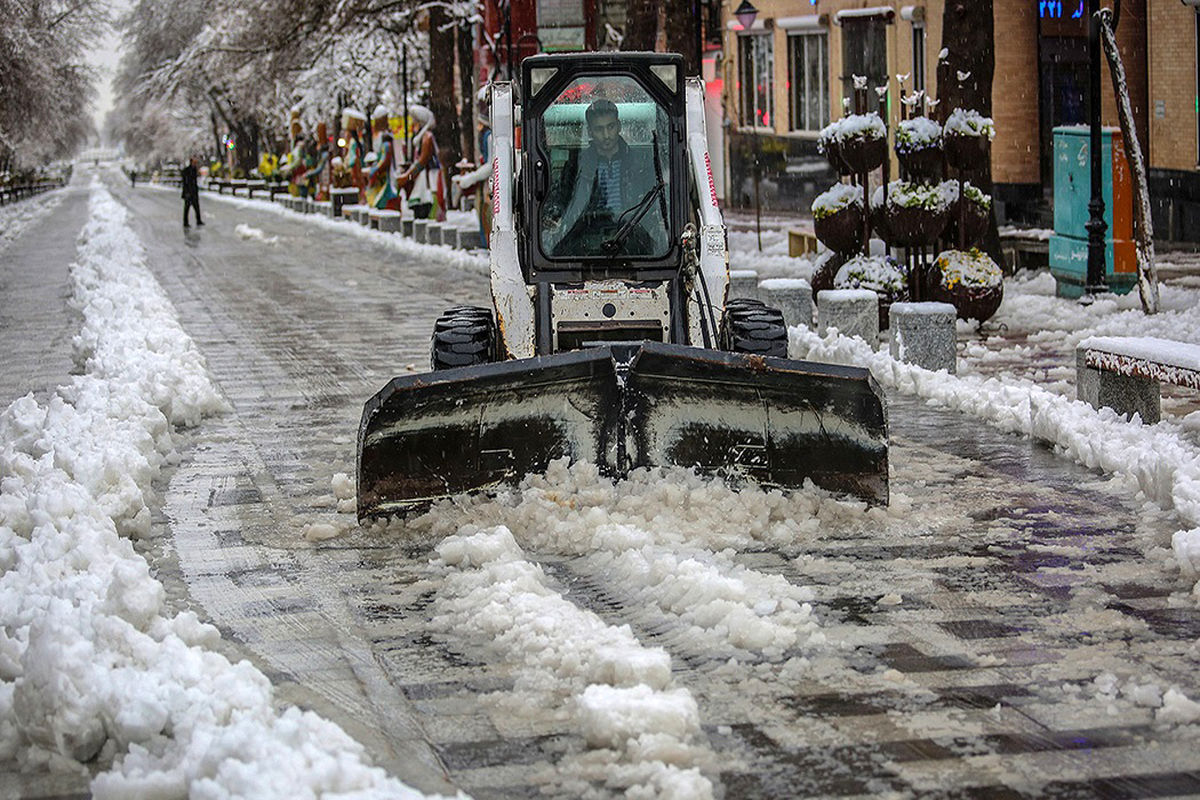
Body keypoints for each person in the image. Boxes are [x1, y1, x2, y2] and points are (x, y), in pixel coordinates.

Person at [546, 98, 664, 257]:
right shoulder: (576, 166)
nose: (606, 135)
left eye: (611, 127)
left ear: (619, 126)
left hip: (631, 236)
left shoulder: (639, 163)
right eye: (599, 129)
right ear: (590, 132)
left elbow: (654, 206)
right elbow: (562, 201)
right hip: (585, 240)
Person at [396, 105, 446, 221]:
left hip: (428, 178)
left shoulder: (426, 137)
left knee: (426, 203)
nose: (413, 125)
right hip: (423, 177)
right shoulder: (421, 137)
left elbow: (422, 161)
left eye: (415, 122)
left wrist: (408, 175)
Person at [181, 156, 203, 228]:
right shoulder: (187, 170)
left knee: (197, 207)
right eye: (194, 162)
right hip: (188, 192)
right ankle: (185, 222)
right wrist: (186, 192)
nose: (195, 163)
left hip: (194, 192)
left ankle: (198, 220)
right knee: (187, 208)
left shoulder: (194, 170)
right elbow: (185, 182)